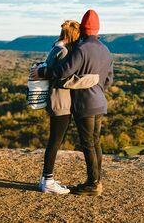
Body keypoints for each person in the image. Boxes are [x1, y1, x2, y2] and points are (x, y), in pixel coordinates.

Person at [31, 10, 113, 196]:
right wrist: (97, 89)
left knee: (88, 144)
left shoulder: (81, 48)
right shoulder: (106, 50)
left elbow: (63, 71)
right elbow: (108, 79)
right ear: (98, 29)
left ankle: (92, 184)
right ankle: (96, 181)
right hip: (99, 101)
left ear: (84, 28)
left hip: (84, 103)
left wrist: (42, 72)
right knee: (96, 143)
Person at [37, 20, 81, 194]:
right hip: (60, 101)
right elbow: (63, 76)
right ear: (73, 35)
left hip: (55, 100)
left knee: (54, 140)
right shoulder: (64, 51)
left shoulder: (56, 47)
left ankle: (45, 179)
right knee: (55, 141)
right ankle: (48, 180)